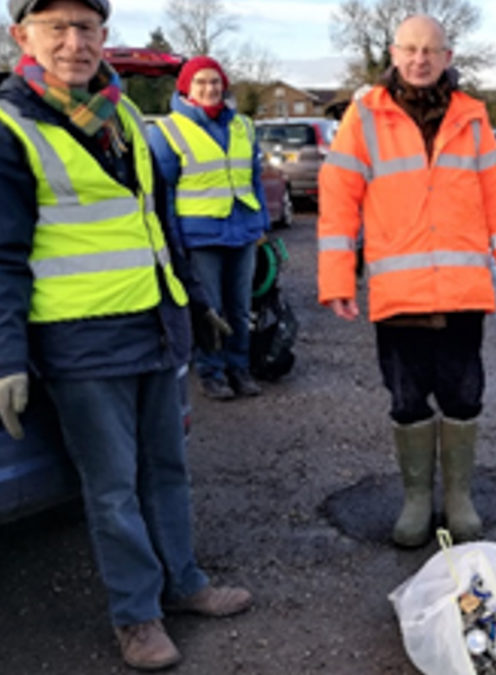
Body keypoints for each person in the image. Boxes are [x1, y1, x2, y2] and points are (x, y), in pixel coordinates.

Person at [0, 0, 252, 670]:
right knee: (110, 488)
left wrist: (196, 304)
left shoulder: (126, 117)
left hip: (153, 326)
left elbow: (159, 223)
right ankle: (136, 616)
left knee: (166, 470)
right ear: (21, 36)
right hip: (80, 342)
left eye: (86, 28)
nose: (74, 42)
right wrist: (9, 356)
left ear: (103, 37)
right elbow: (4, 255)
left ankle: (184, 582)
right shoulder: (10, 126)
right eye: (57, 27)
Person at [317, 14, 496, 548]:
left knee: (464, 395)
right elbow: (339, 199)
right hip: (399, 294)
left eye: (430, 50)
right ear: (394, 53)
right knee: (407, 399)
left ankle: (458, 497)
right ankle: (417, 499)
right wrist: (337, 277)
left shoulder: (474, 119)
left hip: (462, 290)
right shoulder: (363, 117)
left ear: (448, 56)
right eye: (410, 49)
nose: (419, 59)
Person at [148, 55, 270, 400]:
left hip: (242, 230)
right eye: (201, 82)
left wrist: (261, 223)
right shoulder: (168, 131)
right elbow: (164, 195)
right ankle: (212, 371)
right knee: (209, 310)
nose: (209, 88)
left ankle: (240, 368)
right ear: (186, 88)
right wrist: (174, 242)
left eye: (215, 82)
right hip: (200, 236)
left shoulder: (242, 126)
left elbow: (254, 179)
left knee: (241, 307)